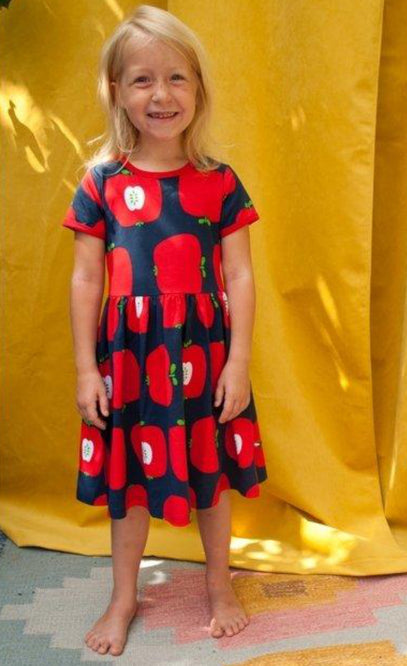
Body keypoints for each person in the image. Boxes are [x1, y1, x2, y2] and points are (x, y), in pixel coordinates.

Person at [61, 4, 267, 656]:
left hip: (203, 356)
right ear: (116, 91)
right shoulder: (102, 183)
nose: (161, 94)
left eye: (177, 77)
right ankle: (123, 596)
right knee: (128, 487)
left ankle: (219, 585)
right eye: (143, 79)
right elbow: (86, 280)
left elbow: (240, 276)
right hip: (129, 362)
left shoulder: (219, 182)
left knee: (210, 476)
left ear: (198, 88)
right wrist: (86, 370)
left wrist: (238, 363)